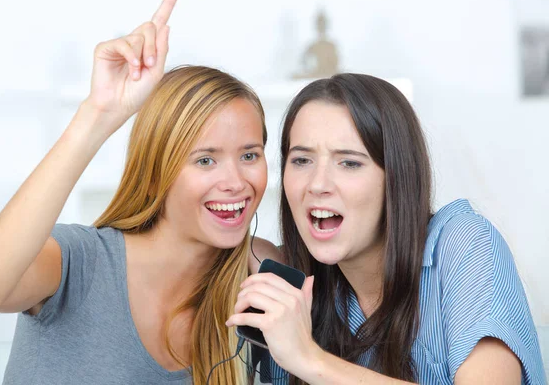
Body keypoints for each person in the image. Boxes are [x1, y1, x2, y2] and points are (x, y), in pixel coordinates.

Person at [0, 0, 273, 384]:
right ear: (157, 169)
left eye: (249, 155)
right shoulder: (80, 262)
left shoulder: (253, 286)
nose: (235, 183)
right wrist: (98, 114)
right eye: (205, 159)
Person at [227, 73, 547, 384]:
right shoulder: (299, 288)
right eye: (301, 161)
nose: (317, 184)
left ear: (396, 179)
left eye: (349, 162)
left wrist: (310, 359)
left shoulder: (463, 244)